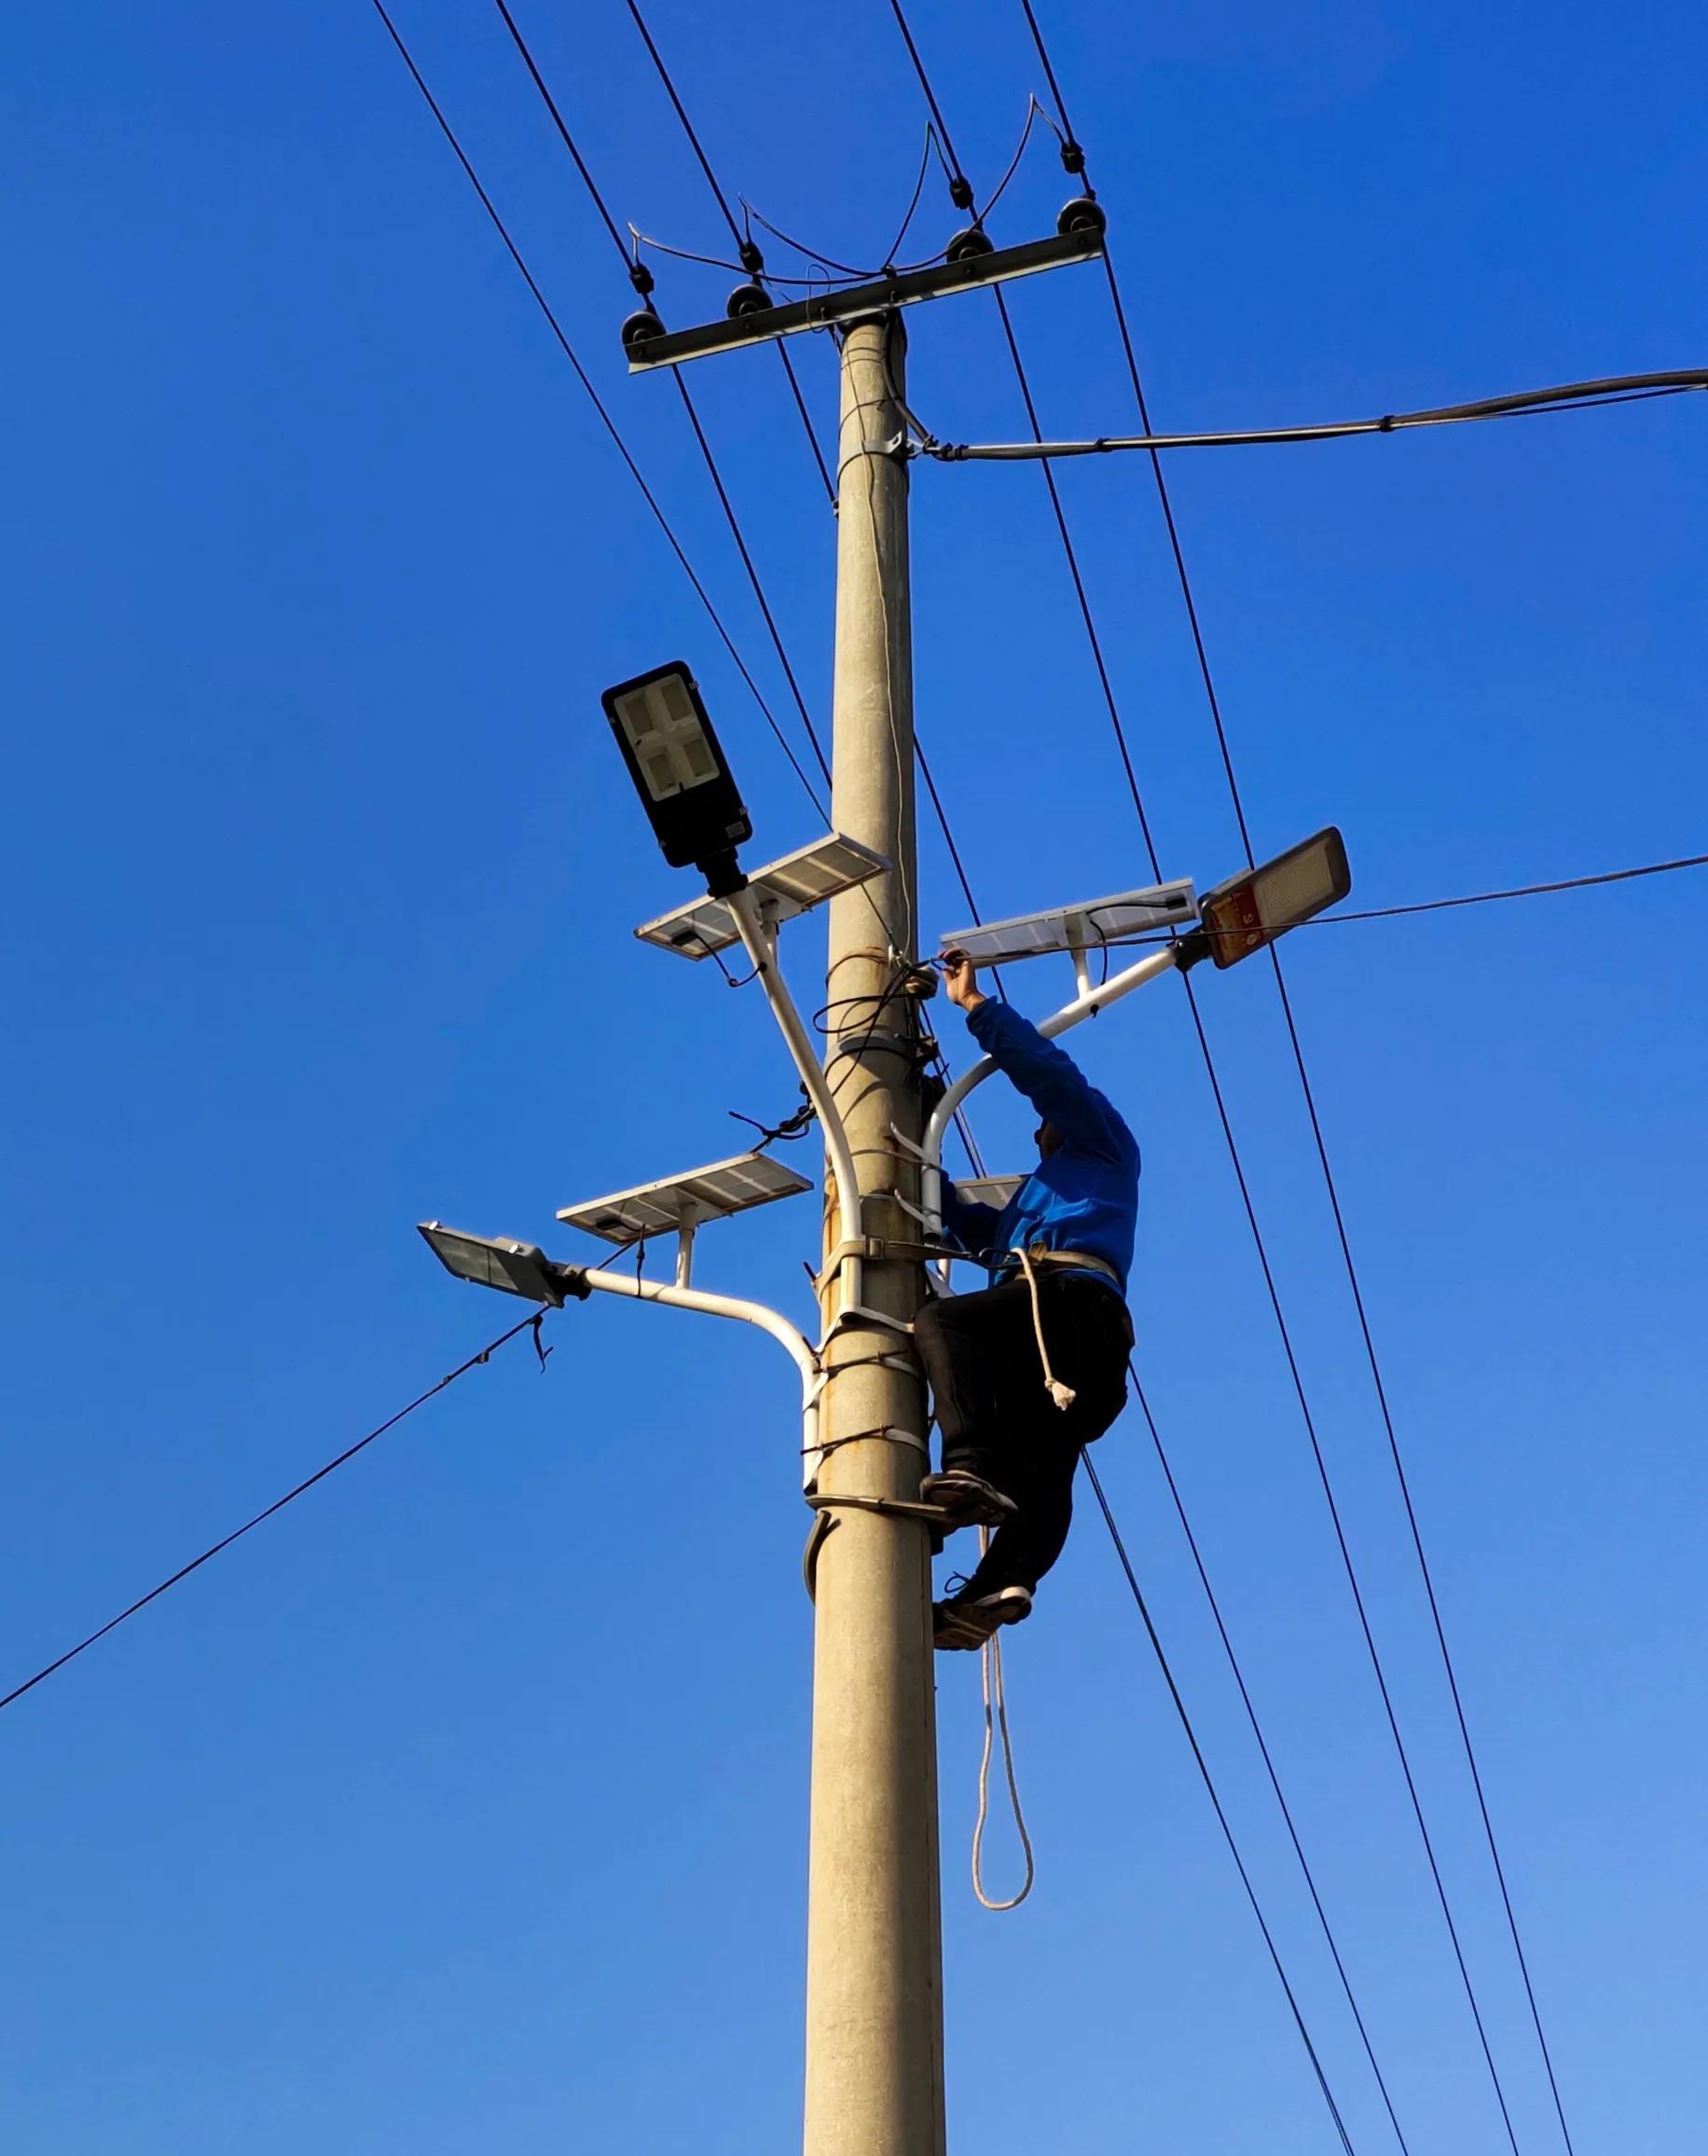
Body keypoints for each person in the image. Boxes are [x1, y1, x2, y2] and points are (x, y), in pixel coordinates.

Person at [914, 949, 1138, 1651]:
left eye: (1045, 1129)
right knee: (1046, 1460)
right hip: (1077, 1331)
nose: (1040, 1134)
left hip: (1069, 1304)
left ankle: (970, 1466)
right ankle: (997, 1589)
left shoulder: (1100, 1145)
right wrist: (916, 1146)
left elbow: (1047, 1073)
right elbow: (972, 1228)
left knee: (943, 1323)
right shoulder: (1034, 1207)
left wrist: (975, 1008)